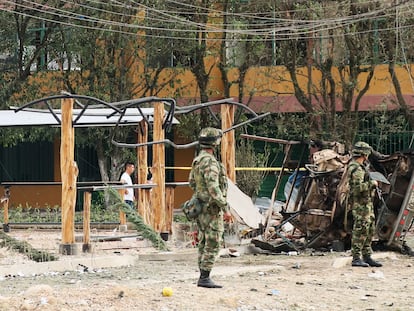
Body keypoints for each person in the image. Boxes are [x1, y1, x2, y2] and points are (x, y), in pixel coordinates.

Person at [189, 127, 233, 288]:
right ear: (215, 143)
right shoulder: (210, 162)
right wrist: (225, 208)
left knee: (203, 240)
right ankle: (205, 276)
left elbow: (191, 182)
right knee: (214, 241)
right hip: (212, 209)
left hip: (201, 207)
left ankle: (203, 274)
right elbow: (214, 187)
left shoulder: (198, 160)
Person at [347, 141, 382, 268]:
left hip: (366, 203)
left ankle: (367, 255)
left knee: (369, 228)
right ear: (364, 154)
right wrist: (372, 184)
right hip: (360, 204)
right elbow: (357, 188)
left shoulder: (361, 167)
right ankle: (356, 257)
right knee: (360, 229)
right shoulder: (355, 168)